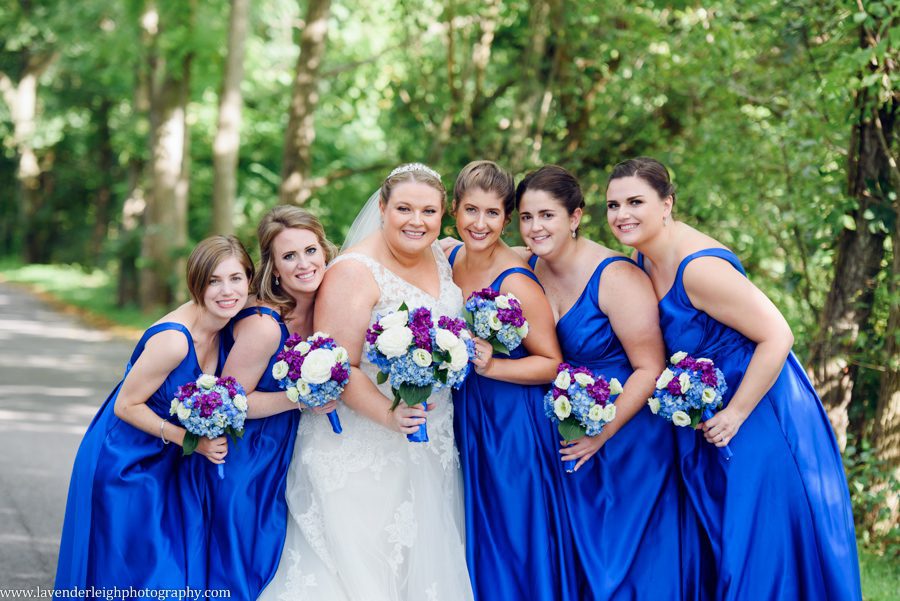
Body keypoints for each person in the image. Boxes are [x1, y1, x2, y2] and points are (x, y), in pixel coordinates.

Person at [606, 156, 861, 600]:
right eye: (612, 205)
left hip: (761, 408)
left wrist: (737, 413)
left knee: (762, 542)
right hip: (711, 411)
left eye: (635, 202)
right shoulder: (642, 256)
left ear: (666, 205)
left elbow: (778, 334)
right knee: (724, 538)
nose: (621, 214)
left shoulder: (700, 269)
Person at [259, 164, 473, 601]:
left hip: (433, 437)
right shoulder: (354, 272)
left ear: (442, 215)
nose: (417, 220)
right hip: (362, 443)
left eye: (429, 211)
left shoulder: (441, 254)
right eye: (405, 208)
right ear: (382, 208)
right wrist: (390, 415)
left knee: (421, 566)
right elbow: (338, 366)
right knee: (363, 572)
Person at [516, 165, 685, 600]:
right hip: (572, 429)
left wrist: (603, 433)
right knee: (577, 555)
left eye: (547, 215)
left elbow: (650, 368)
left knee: (621, 561)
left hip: (627, 434)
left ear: (574, 217)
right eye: (526, 217)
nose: (535, 227)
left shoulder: (617, 278)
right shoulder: (529, 264)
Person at [54, 236, 252, 592]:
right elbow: (125, 405)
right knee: (141, 578)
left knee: (175, 573)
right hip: (127, 461)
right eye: (214, 281)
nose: (227, 291)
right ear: (196, 283)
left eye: (236, 278)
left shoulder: (228, 329)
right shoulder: (175, 341)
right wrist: (192, 440)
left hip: (173, 461)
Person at [446, 161, 573, 600]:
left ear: (506, 218)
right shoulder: (447, 257)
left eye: (493, 213)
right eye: (470, 210)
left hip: (509, 422)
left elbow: (553, 363)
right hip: (462, 415)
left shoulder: (517, 280)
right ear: (454, 210)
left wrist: (494, 365)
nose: (480, 224)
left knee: (513, 531)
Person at [202, 207, 338, 599]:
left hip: (288, 451)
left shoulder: (324, 308)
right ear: (274, 269)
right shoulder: (264, 324)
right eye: (289, 257)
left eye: (310, 250)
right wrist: (302, 400)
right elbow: (231, 403)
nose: (304, 264)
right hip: (248, 454)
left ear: (325, 251)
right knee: (242, 559)